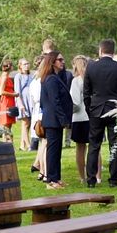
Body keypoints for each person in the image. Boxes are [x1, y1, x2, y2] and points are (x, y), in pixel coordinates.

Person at [84, 39, 117, 188]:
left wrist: (89, 109)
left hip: (96, 110)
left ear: (100, 51)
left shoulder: (91, 67)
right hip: (115, 109)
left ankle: (91, 179)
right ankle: (114, 179)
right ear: (113, 51)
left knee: (94, 145)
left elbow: (86, 93)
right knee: (114, 145)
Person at [39, 51, 73, 189]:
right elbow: (55, 101)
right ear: (52, 62)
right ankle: (51, 181)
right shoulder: (51, 79)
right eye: (60, 60)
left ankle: (57, 178)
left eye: (63, 59)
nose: (63, 62)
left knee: (57, 150)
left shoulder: (56, 77)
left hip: (54, 120)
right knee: (53, 151)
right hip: (53, 120)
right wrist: (63, 119)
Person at [70, 55, 100, 185]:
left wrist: (70, 110)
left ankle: (83, 177)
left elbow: (75, 102)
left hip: (79, 118)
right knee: (95, 148)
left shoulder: (76, 81)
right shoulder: (94, 80)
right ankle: (98, 176)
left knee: (80, 149)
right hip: (93, 116)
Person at [29, 55, 47, 178]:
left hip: (36, 112)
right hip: (42, 112)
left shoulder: (34, 80)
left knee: (42, 143)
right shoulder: (41, 80)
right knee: (45, 142)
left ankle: (40, 168)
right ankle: (44, 171)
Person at [14, 58, 33, 151]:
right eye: (24, 64)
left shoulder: (30, 76)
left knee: (28, 123)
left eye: (27, 63)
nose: (26, 65)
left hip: (30, 101)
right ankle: (29, 145)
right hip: (23, 101)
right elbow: (17, 91)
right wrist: (20, 104)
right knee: (25, 123)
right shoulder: (18, 76)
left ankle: (22, 144)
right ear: (20, 66)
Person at [0, 60, 17, 143]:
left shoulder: (7, 76)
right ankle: (8, 144)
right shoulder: (4, 77)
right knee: (6, 126)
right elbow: (1, 92)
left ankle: (7, 143)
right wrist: (14, 94)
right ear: (10, 66)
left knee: (9, 126)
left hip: (10, 101)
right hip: (6, 102)